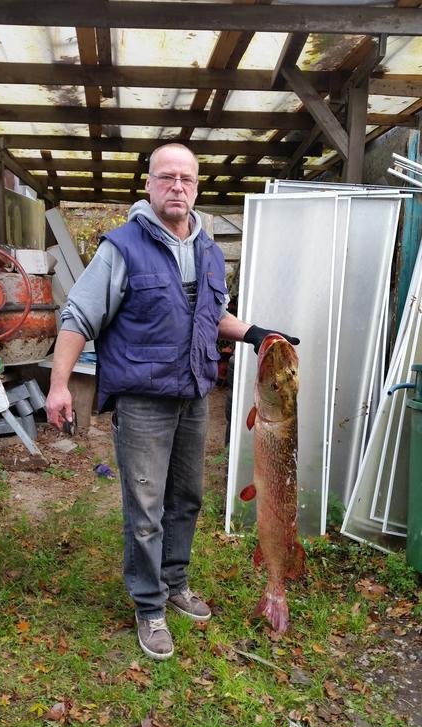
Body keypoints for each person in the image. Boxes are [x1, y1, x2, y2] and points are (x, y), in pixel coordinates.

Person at [46, 143, 299, 661]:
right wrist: (57, 385)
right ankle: (148, 605)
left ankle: (174, 581)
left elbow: (212, 316)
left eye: (186, 178)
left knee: (186, 499)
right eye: (167, 177)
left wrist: (256, 333)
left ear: (197, 186)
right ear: (149, 185)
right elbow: (78, 317)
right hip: (143, 402)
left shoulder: (207, 249)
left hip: (193, 395)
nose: (177, 186)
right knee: (145, 508)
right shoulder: (121, 247)